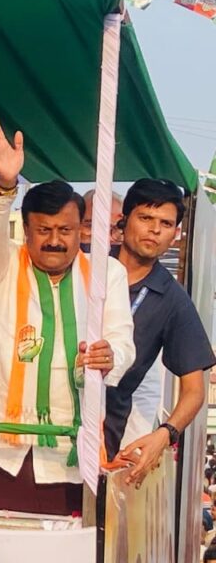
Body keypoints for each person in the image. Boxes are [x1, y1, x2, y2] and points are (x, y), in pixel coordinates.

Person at [0, 117, 135, 516]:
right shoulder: (3, 263)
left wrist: (111, 356)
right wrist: (5, 185)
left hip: (72, 451)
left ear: (83, 230)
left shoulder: (107, 272)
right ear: (25, 230)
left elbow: (123, 341)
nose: (55, 240)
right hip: (1, 449)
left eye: (66, 229)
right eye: (43, 229)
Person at [108, 179, 215, 482]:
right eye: (145, 218)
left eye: (166, 223)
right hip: (45, 419)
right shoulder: (87, 261)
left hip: (106, 437)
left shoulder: (172, 297)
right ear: (124, 219)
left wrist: (165, 434)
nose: (155, 230)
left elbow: (194, 390)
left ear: (175, 234)